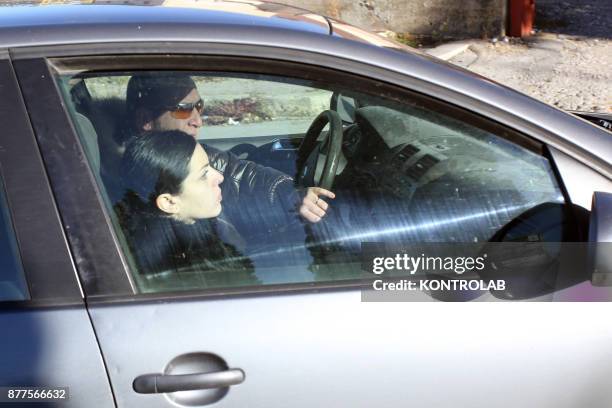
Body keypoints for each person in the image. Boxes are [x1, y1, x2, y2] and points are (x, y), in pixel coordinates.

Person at [121, 73, 334, 230]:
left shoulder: (190, 154)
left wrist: (290, 195)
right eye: (183, 109)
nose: (197, 120)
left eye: (199, 106)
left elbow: (238, 173)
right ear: (145, 121)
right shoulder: (142, 186)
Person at [117, 130, 256, 281]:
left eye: (210, 167)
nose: (220, 177)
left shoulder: (190, 229)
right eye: (203, 175)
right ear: (169, 202)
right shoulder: (191, 268)